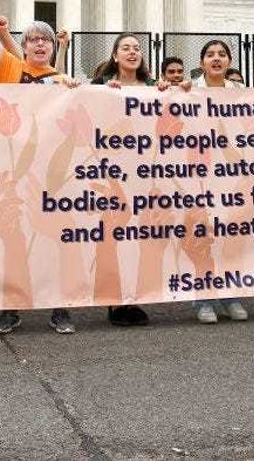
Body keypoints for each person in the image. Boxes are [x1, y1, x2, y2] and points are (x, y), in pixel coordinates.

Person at [0, 0, 79, 335]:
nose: (39, 45)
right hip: (10, 171)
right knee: (11, 238)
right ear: (24, 46)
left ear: (52, 47)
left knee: (53, 238)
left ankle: (60, 307)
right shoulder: (10, 67)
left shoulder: (63, 80)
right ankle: (11, 307)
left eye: (45, 40)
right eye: (33, 39)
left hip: (48, 174)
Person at [89, 33, 154, 327]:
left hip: (144, 170)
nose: (132, 52)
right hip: (111, 171)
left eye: (137, 48)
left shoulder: (152, 88)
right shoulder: (102, 86)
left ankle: (133, 297)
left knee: (138, 236)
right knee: (114, 233)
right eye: (125, 48)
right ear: (115, 55)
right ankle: (115, 300)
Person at [190, 40, 249, 324]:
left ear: (229, 61)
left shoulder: (241, 92)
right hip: (198, 172)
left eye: (222, 55)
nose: (216, 59)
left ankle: (230, 295)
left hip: (231, 172)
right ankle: (204, 299)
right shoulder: (189, 91)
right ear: (201, 62)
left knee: (231, 236)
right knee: (204, 235)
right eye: (211, 55)